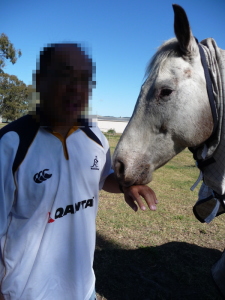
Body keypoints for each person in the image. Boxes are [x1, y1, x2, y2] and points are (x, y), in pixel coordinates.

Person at [0, 43, 157, 300]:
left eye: (85, 79)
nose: (77, 87)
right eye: (65, 75)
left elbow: (102, 178)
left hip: (83, 290)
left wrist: (126, 185)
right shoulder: (11, 144)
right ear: (40, 80)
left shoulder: (95, 135)